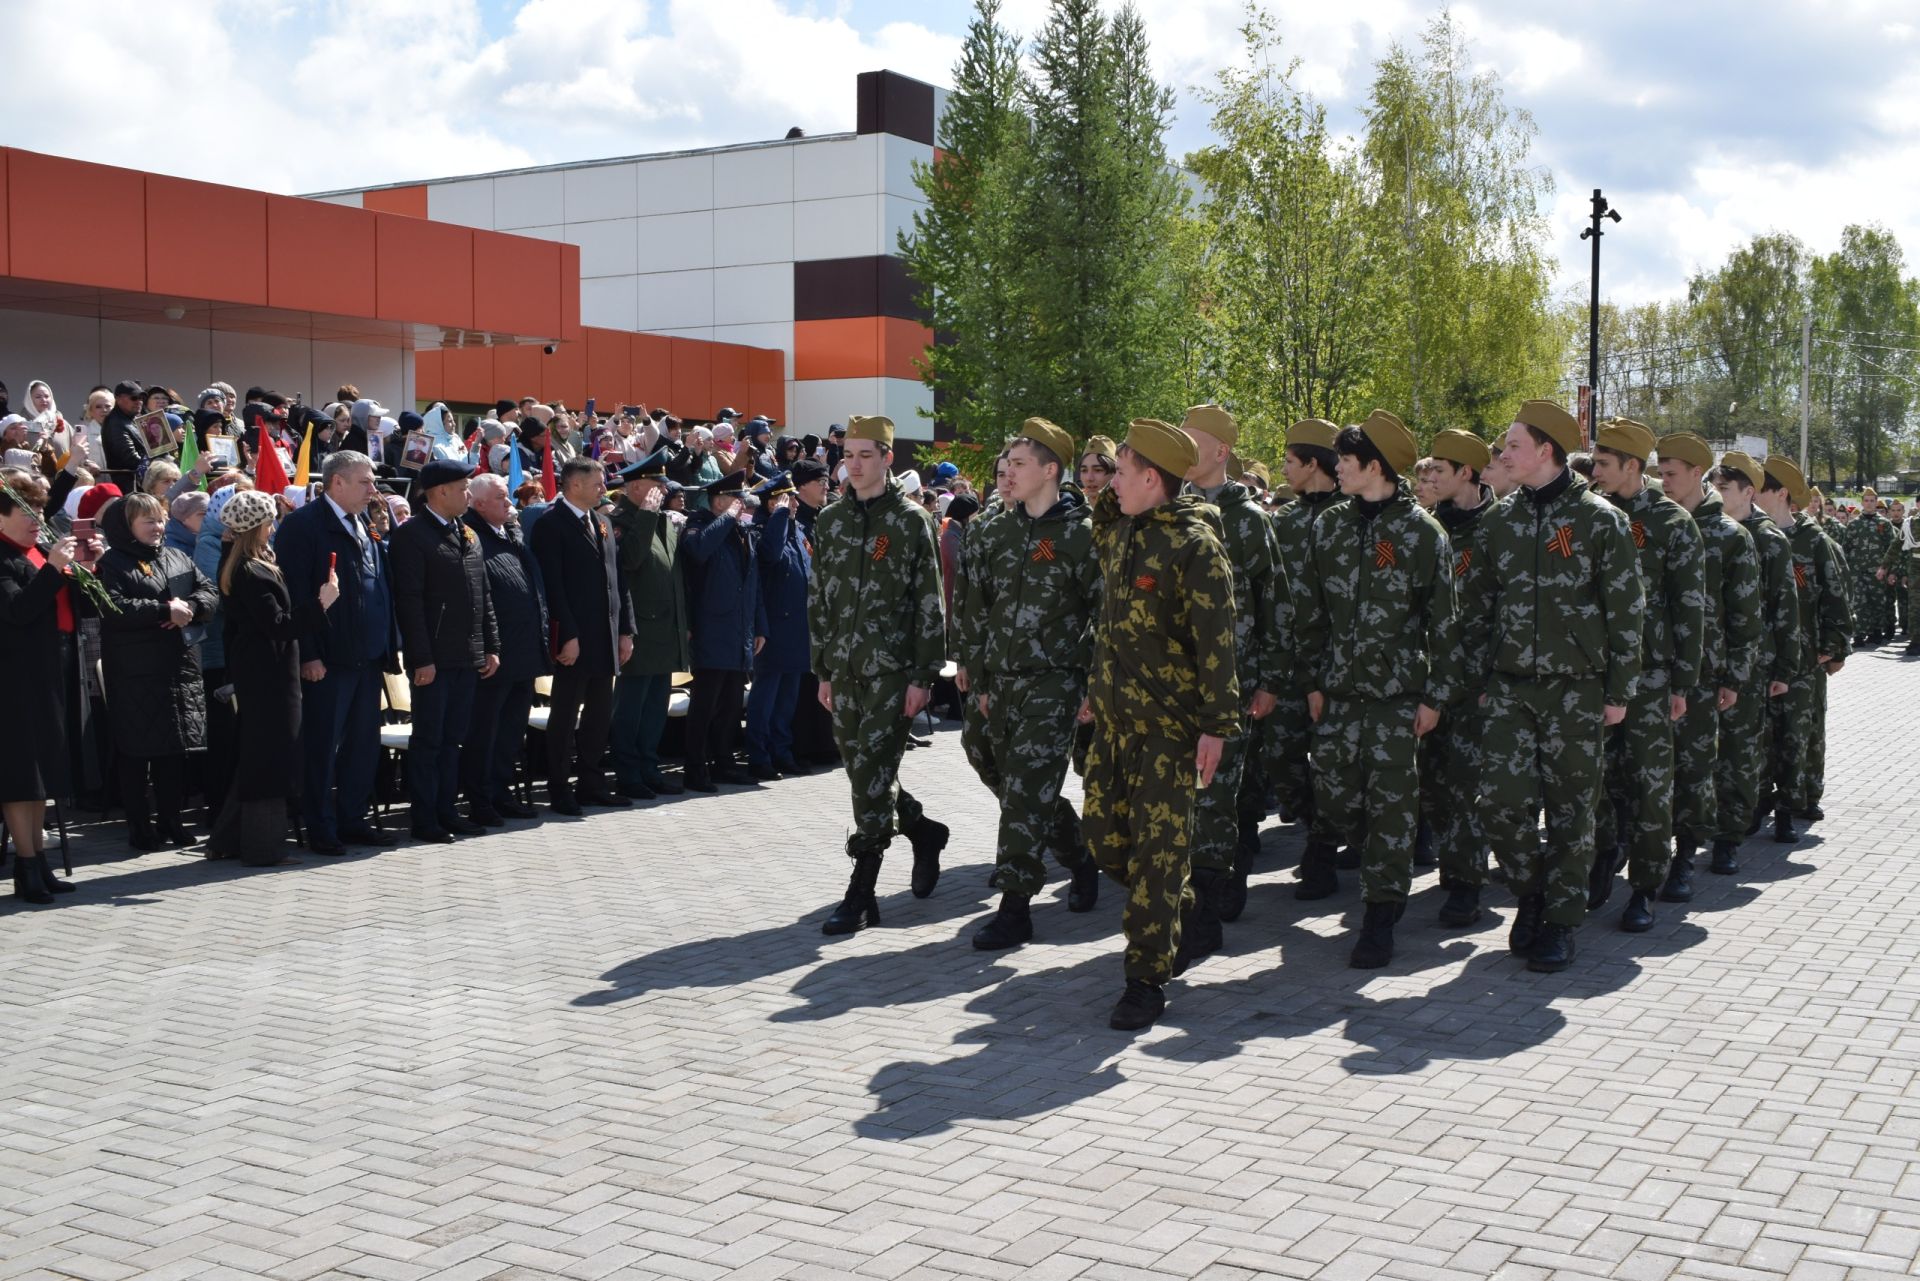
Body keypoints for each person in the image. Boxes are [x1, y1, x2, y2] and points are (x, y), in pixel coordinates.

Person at [1458, 400, 1643, 975]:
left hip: (1577, 690)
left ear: (1545, 451)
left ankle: (1561, 923)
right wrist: (1481, 678)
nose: (1503, 452)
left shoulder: (1599, 520)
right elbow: (1477, 609)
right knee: (1500, 804)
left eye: (1512, 444)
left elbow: (1626, 612)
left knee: (1571, 813)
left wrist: (1619, 692)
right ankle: (1533, 890)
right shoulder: (1499, 521)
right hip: (1511, 687)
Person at [1081, 418, 1240, 1030]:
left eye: (1121, 472)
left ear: (1153, 478)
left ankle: (1145, 981)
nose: (1109, 482)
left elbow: (1217, 644)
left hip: (1171, 730)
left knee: (1155, 859)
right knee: (1104, 839)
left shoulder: (1196, 546)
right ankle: (1183, 904)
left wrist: (1216, 727)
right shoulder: (1123, 531)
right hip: (1116, 724)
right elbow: (1099, 516)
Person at [1292, 411, 1457, 967]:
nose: (1336, 467)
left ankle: (1380, 916)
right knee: (1337, 799)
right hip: (1338, 693)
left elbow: (1445, 624)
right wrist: (1313, 681)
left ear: (1374, 466)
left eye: (1345, 460)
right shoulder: (1331, 525)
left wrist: (1434, 696)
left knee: (1391, 808)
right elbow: (1310, 611)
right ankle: (1377, 870)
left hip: (1396, 698)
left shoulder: (1421, 532)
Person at [963, 419, 1103, 951]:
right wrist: (974, 670)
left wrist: (1092, 683)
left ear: (1050, 470)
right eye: (1007, 464)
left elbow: (1104, 612)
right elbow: (976, 606)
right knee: (988, 760)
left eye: (1018, 464)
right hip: (999, 680)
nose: (1007, 472)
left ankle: (1015, 906)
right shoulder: (992, 528)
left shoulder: (1085, 532)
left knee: (1025, 787)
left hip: (1056, 681)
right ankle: (1077, 851)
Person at [809, 415, 950, 935]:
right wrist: (822, 667)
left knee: (870, 773)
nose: (855, 464)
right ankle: (922, 829)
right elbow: (820, 599)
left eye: (867, 455)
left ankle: (861, 891)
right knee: (864, 771)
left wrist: (923, 674)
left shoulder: (910, 520)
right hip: (843, 672)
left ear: (889, 459)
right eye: (849, 455)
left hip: (893, 671)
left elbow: (928, 603)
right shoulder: (831, 521)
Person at [1587, 419, 1705, 933]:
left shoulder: (1673, 523)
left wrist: (1682, 684)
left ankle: (1644, 887)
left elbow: (1689, 609)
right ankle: (1601, 860)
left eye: (1604, 465)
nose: (1594, 472)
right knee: (1596, 782)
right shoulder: (1589, 514)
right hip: (1593, 675)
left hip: (1651, 679)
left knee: (1651, 786)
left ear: (1632, 467)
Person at [1177, 405, 1286, 949]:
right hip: (1175, 682)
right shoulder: (1167, 510)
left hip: (1234, 683)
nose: (1182, 449)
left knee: (1216, 793)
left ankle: (1210, 904)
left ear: (1221, 452)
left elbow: (1273, 603)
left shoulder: (1250, 521)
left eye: (1192, 441)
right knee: (1185, 795)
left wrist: (1268, 680)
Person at [1652, 433, 1763, 903]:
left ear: (1697, 474)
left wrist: (1735, 677)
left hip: (1701, 674)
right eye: (1660, 473)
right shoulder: (1652, 524)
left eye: (1671, 474)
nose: (1663, 482)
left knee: (1695, 769)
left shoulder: (1730, 537)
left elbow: (1745, 615)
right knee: (1646, 772)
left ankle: (1685, 857)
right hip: (1652, 669)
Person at [274, 451, 402, 855]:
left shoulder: (363, 522)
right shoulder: (303, 526)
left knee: (363, 745)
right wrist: (309, 653)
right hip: (328, 659)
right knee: (322, 747)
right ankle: (321, 826)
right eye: (364, 482)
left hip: (367, 655)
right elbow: (295, 594)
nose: (373, 490)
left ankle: (352, 819)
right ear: (337, 483)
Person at [207, 490, 337, 866]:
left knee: (260, 757)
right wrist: (321, 603)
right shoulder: (249, 570)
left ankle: (229, 838)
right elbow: (278, 626)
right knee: (270, 760)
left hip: (267, 672)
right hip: (268, 676)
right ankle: (262, 847)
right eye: (270, 519)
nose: (274, 525)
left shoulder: (248, 563)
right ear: (259, 526)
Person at [96, 492, 218, 850]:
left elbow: (208, 590)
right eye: (147, 520)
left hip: (179, 667)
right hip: (136, 674)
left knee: (173, 753)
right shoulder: (113, 563)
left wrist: (191, 607)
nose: (157, 526)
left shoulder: (176, 556)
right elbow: (113, 606)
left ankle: (171, 820)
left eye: (160, 519)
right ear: (127, 525)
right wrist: (163, 610)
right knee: (137, 754)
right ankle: (140, 827)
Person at [389, 460, 499, 843]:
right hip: (434, 659)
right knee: (429, 741)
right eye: (462, 487)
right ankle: (425, 817)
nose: (468, 494)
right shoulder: (412, 535)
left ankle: (447, 810)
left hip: (466, 655)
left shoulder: (467, 532)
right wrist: (421, 658)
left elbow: (482, 594)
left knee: (453, 739)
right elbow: (410, 602)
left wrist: (491, 645)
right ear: (439, 492)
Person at [1419, 429, 1498, 926]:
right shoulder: (1427, 528)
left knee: (1469, 784)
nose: (1429, 478)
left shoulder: (1498, 529)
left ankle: (1468, 882)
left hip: (1478, 683)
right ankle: (1453, 861)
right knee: (1434, 783)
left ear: (1466, 474)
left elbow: (1513, 607)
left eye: (1439, 472)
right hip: (1431, 678)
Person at [1708, 452, 1800, 879]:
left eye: (1725, 488)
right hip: (1705, 661)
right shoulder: (1705, 529)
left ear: (1748, 492)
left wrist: (1783, 669)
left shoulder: (1769, 539)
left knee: (1740, 754)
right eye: (1715, 487)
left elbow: (1785, 607)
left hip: (1751, 664)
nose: (1718, 495)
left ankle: (1729, 837)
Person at [529, 456, 635, 814]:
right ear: (574, 485)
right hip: (575, 638)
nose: (603, 489)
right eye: (597, 483)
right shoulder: (551, 525)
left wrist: (626, 630)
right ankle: (560, 787)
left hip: (605, 636)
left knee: (598, 715)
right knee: (565, 715)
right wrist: (567, 635)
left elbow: (617, 582)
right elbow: (553, 587)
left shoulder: (602, 521)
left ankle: (592, 783)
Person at [1756, 457, 1849, 843]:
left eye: (1760, 488)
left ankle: (1799, 799)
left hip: (1806, 654)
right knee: (1761, 733)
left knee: (1802, 731)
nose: (1753, 494)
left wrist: (1834, 646)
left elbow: (1836, 595)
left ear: (1780, 494)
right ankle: (1758, 798)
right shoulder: (1753, 535)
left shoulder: (1814, 541)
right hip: (1763, 655)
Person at [0, 469, 80, 903]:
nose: (37, 519)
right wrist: (53, 570)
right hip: (10, 682)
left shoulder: (32, 553)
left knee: (38, 778)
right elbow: (16, 611)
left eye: (41, 510)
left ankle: (37, 863)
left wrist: (80, 571)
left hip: (41, 674)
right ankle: (25, 866)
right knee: (19, 777)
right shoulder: (3, 556)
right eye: (27, 511)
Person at [1269, 418, 1342, 858]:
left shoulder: (1350, 516)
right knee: (1281, 758)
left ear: (1313, 464)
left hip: (1338, 662)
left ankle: (1324, 848)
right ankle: (1319, 825)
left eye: (1290, 462)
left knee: (1338, 768)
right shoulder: (1286, 520)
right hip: (1290, 660)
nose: (1284, 471)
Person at [458, 473, 549, 824]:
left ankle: (500, 792)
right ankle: (480, 799)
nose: (510, 503)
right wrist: (488, 646)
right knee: (485, 733)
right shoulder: (472, 537)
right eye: (500, 498)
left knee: (510, 732)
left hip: (523, 652)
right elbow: (479, 598)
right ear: (478, 504)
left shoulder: (511, 536)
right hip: (494, 657)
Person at [607, 448, 689, 800]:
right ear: (636, 487)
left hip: (666, 631)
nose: (663, 490)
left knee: (656, 708)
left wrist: (683, 624)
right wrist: (645, 515)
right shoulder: (619, 521)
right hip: (639, 631)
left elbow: (674, 578)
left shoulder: (663, 522)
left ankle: (648, 768)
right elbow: (630, 561)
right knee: (631, 709)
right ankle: (628, 772)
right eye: (656, 484)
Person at [679, 470, 765, 791]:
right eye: (734, 499)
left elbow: (752, 583)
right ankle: (694, 767)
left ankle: (724, 762)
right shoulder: (699, 524)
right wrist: (728, 517)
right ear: (718, 501)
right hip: (711, 629)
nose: (741, 505)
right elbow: (699, 550)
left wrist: (759, 627)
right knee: (705, 705)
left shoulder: (741, 531)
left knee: (730, 706)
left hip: (739, 630)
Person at [744, 471, 813, 780]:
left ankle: (782, 752)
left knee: (787, 699)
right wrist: (780, 516)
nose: (795, 503)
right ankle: (759, 756)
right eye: (788, 498)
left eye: (794, 498)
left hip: (798, 627)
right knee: (765, 698)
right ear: (772, 503)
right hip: (771, 629)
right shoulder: (760, 530)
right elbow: (770, 556)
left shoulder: (797, 530)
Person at [1844, 489, 1897, 643]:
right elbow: (1845, 547)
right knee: (1860, 602)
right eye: (1866, 500)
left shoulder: (1884, 523)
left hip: (1877, 571)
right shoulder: (1854, 524)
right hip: (1857, 570)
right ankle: (1859, 633)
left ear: (1876, 502)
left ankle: (1875, 631)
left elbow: (1891, 549)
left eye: (1872, 500)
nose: (1868, 503)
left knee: (1877, 601)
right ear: (1862, 503)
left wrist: (1890, 570)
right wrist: (1845, 570)